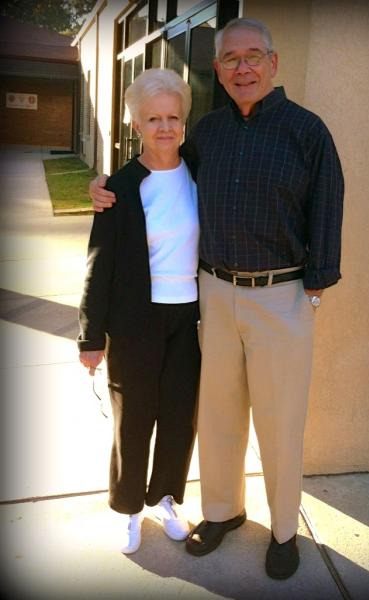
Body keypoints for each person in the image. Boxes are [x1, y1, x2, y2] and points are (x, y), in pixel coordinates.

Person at [89, 17, 343, 579]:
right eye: (231, 58)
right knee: (218, 415)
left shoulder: (307, 131)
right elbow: (162, 173)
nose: (242, 67)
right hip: (214, 293)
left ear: (273, 63)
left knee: (279, 423)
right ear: (218, 69)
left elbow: (328, 203)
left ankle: (284, 530)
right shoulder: (207, 133)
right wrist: (105, 186)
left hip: (281, 294)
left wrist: (317, 282)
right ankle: (224, 512)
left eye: (253, 56)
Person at [78, 68, 201, 555]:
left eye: (173, 117)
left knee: (178, 418)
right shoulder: (121, 186)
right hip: (134, 322)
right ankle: (128, 507)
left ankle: (165, 498)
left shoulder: (200, 169)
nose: (165, 127)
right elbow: (99, 264)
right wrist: (90, 336)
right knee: (133, 420)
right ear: (136, 125)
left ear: (184, 121)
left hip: (189, 319)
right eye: (153, 119)